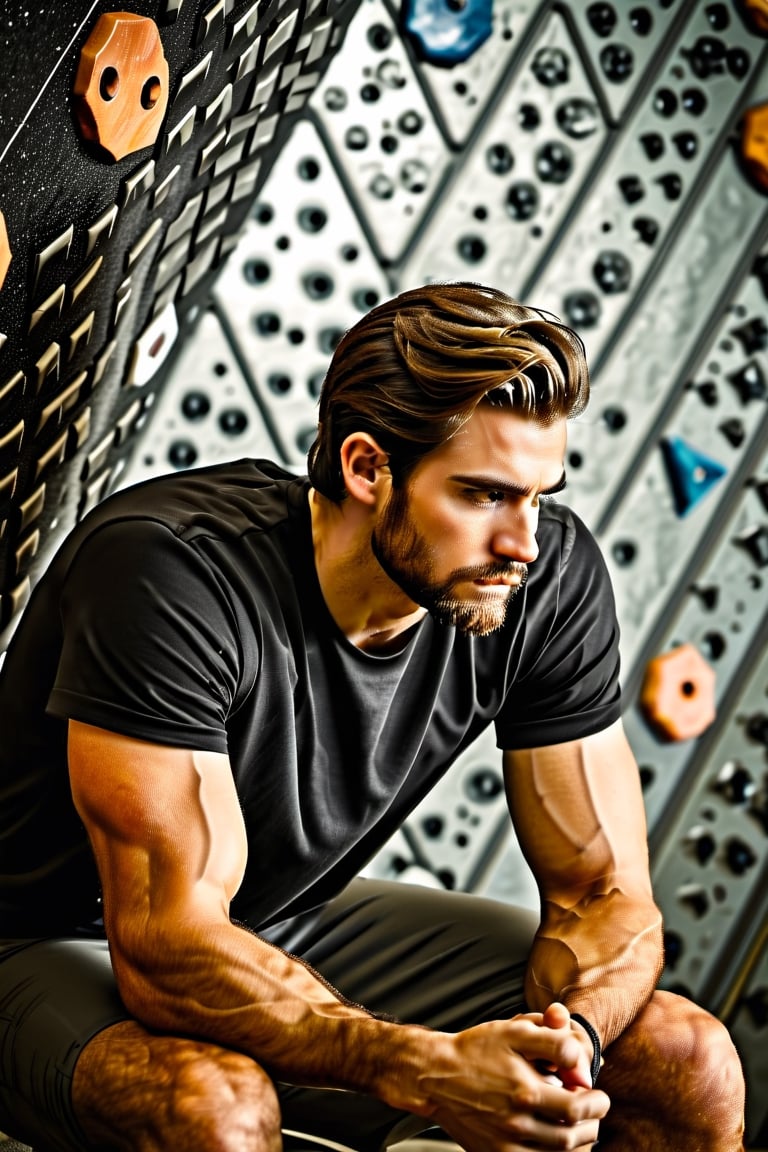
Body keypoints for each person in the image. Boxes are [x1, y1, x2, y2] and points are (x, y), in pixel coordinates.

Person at [0, 282, 745, 1152]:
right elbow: (168, 940)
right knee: (214, 1111)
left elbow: (606, 897)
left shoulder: (541, 582)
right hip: (40, 940)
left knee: (681, 1058)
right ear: (365, 468)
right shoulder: (171, 572)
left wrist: (566, 1048)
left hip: (275, 914)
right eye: (481, 496)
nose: (523, 545)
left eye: (539, 496)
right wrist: (424, 1065)